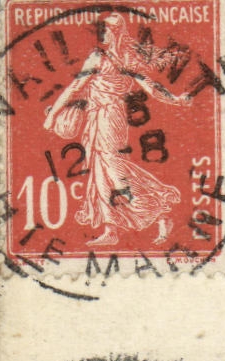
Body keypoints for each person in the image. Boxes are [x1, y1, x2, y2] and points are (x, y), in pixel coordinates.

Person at [42, 14, 189, 247]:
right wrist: (176, 99)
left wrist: (176, 100)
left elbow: (150, 86)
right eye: (102, 29)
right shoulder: (105, 57)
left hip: (110, 118)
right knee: (99, 170)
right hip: (97, 118)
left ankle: (159, 209)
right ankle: (111, 229)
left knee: (114, 170)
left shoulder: (117, 58)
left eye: (106, 30)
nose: (102, 33)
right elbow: (75, 86)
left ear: (116, 32)